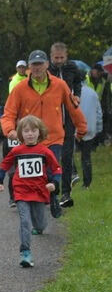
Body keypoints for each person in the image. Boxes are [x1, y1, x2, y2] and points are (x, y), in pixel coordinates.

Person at [0, 49, 86, 219]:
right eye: (34, 64)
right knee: (34, 176)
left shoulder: (60, 85)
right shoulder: (20, 88)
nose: (37, 68)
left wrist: (81, 128)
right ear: (28, 67)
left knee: (51, 170)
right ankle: (34, 203)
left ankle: (54, 197)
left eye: (40, 64)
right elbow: (8, 112)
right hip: (29, 140)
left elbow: (73, 108)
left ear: (47, 65)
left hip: (53, 137)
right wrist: (9, 130)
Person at [0, 115, 62, 268]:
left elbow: (56, 168)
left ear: (40, 132)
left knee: (40, 223)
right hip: (21, 190)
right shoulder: (17, 151)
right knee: (25, 221)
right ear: (20, 134)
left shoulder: (44, 151)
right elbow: (5, 164)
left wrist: (54, 183)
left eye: (33, 130)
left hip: (39, 191)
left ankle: (39, 227)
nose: (30, 134)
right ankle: (25, 252)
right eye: (26, 131)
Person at [48, 42, 83, 205]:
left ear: (66, 57)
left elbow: (78, 82)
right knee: (51, 157)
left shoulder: (72, 68)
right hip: (51, 118)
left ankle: (66, 193)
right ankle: (52, 190)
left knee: (67, 156)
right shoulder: (47, 71)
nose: (59, 60)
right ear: (51, 57)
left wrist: (77, 95)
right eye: (56, 58)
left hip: (68, 116)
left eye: (62, 57)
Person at [76, 80, 103, 188]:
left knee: (68, 155)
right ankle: (87, 183)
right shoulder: (92, 92)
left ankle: (72, 176)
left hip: (76, 129)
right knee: (86, 156)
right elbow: (99, 112)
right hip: (90, 129)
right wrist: (98, 129)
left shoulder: (73, 92)